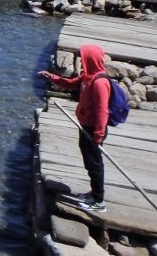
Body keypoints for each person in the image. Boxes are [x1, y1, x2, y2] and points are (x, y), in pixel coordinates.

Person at [38, 44, 111, 213]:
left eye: (84, 58)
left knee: (95, 163)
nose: (81, 61)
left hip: (94, 131)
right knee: (88, 160)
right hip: (85, 126)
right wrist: (52, 78)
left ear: (90, 59)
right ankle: (93, 193)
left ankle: (99, 201)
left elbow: (102, 111)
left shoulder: (100, 83)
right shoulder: (87, 77)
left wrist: (98, 136)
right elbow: (70, 84)